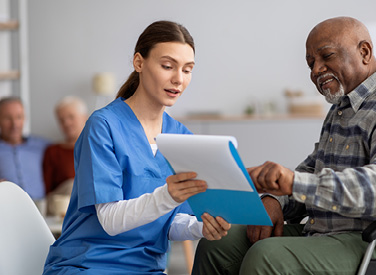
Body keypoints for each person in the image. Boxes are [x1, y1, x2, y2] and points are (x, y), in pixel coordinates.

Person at [192, 16, 376, 274]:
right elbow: (311, 171)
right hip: (337, 233)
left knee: (268, 258)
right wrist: (275, 199)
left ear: (364, 51)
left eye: (326, 56)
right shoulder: (342, 109)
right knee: (219, 245)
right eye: (310, 63)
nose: (316, 70)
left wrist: (293, 182)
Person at [43, 20, 230, 274]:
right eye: (167, 66)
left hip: (145, 268)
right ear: (139, 62)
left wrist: (201, 227)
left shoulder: (181, 137)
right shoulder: (103, 126)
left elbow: (170, 221)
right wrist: (168, 195)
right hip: (88, 264)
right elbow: (109, 220)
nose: (178, 79)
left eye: (187, 70)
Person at [43, 96, 88, 216]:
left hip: (93, 205)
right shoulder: (53, 151)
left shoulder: (98, 148)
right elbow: (47, 191)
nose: (66, 123)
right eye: (61, 120)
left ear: (85, 117)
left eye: (71, 117)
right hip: (61, 208)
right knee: (72, 185)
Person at [0, 96, 50, 205]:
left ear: (24, 118)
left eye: (19, 117)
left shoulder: (41, 145)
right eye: (8, 118)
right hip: (7, 206)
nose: (14, 124)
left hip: (40, 206)